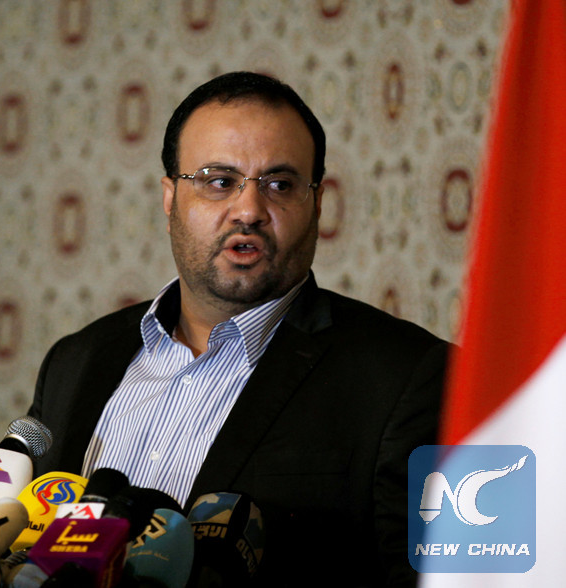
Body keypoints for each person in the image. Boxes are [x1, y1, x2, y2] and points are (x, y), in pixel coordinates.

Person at [28, 71, 447, 586]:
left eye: (280, 185)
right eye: (219, 181)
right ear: (169, 198)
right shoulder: (74, 361)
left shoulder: (410, 378)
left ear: (316, 204)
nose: (249, 210)